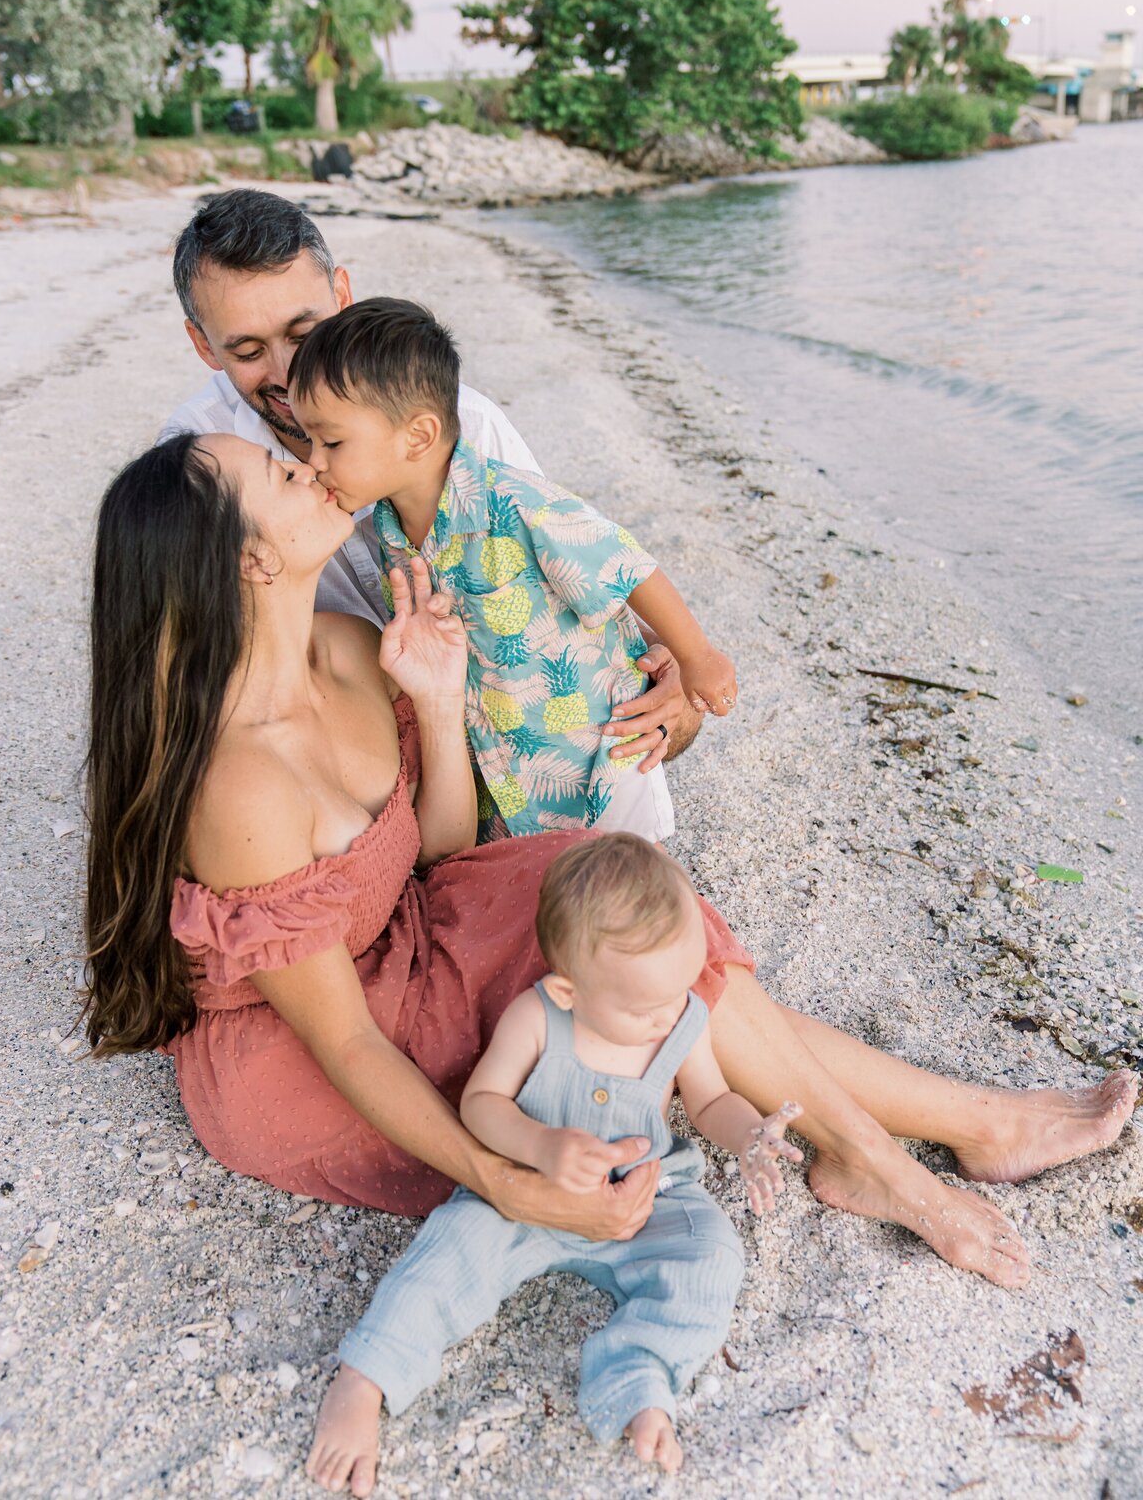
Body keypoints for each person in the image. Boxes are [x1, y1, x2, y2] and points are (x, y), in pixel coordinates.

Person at [83, 433, 1136, 1494]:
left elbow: (443, 854)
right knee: (633, 974)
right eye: (279, 476)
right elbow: (346, 1041)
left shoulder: (350, 643)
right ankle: (919, 1152)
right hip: (314, 1062)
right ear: (250, 561)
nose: (308, 466)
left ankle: (921, 1139)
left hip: (405, 943)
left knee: (627, 910)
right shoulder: (240, 784)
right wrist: (511, 1183)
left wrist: (439, 699)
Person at [158, 187, 698, 780]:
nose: (287, 372)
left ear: (341, 295)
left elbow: (569, 574)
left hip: (525, 751)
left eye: (302, 331)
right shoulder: (199, 462)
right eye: (250, 350)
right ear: (203, 344)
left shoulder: (464, 425)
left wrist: (669, 674)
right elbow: (194, 673)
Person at [314, 835, 802, 1490]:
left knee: (713, 1256)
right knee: (450, 1249)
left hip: (646, 1196)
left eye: (680, 990)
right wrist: (541, 1146)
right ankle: (367, 1378)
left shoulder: (678, 1016)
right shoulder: (540, 1018)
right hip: (526, 1198)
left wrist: (748, 1136)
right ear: (570, 991)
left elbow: (711, 1098)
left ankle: (638, 1374)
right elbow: (484, 1104)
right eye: (643, 1007)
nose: (668, 1017)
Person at [288, 299, 736, 841]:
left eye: (331, 442)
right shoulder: (385, 530)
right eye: (310, 441)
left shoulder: (517, 502)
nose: (313, 460)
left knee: (619, 880)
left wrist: (697, 657)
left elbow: (626, 564)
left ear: (419, 436)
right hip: (504, 762)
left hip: (600, 746)